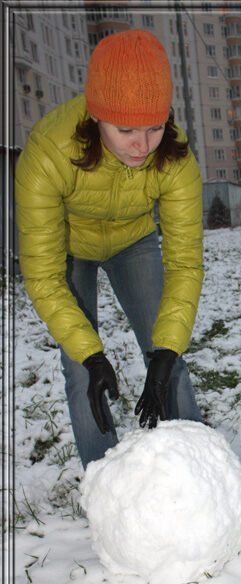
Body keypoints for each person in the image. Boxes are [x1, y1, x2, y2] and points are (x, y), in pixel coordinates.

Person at [15, 29, 204, 470]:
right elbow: (42, 276)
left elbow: (185, 265)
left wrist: (166, 353)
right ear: (97, 116)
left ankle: (199, 472)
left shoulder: (174, 157)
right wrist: (92, 353)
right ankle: (105, 481)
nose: (143, 145)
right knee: (83, 371)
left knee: (167, 354)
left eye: (155, 126)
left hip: (133, 240)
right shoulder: (48, 153)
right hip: (70, 248)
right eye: (126, 129)